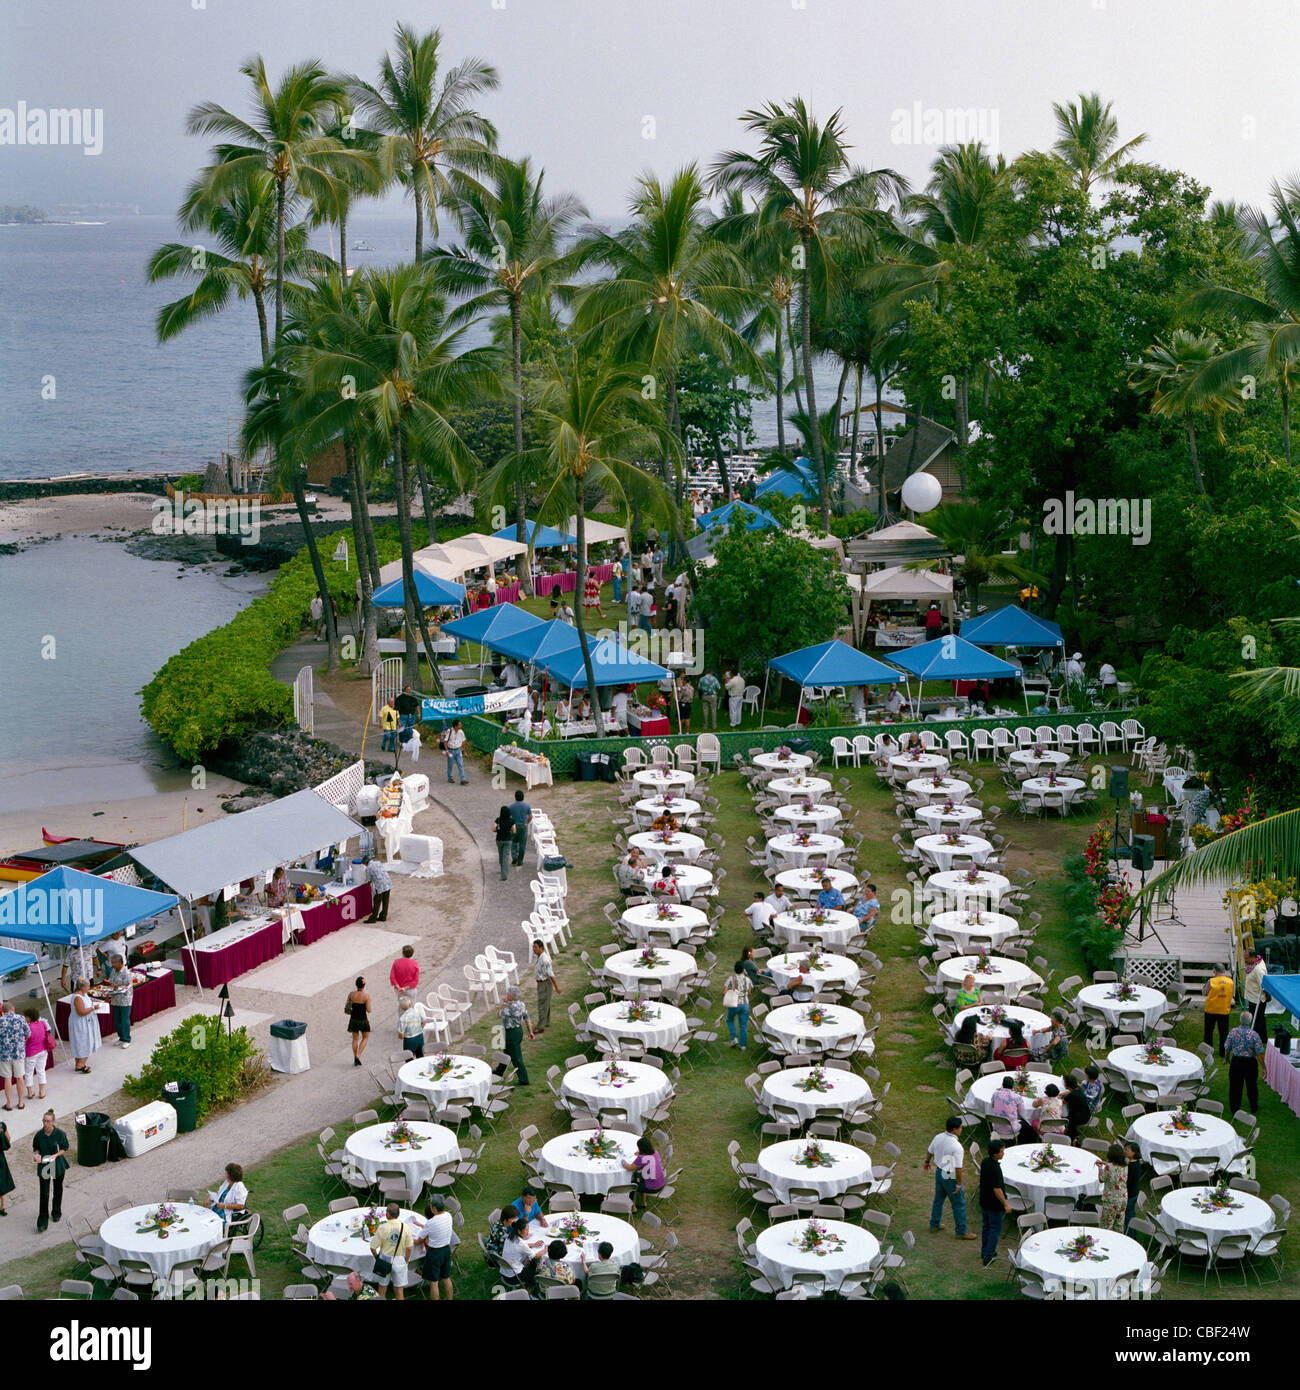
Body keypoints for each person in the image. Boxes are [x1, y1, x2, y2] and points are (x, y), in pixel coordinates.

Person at [924, 1117, 974, 1239]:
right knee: (959, 1204)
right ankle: (961, 1231)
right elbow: (958, 1168)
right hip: (949, 1174)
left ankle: (934, 1224)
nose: (962, 1129)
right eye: (960, 1127)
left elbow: (930, 1151)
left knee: (938, 1200)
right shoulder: (957, 1147)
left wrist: (927, 1161)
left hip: (940, 1171)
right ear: (954, 1129)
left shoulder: (938, 1137)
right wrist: (958, 1184)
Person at [31, 1109, 69, 1233]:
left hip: (56, 1163)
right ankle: (42, 1220)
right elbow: (36, 1148)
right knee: (44, 1193)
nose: (45, 1123)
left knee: (58, 1189)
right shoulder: (39, 1135)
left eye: (48, 1121)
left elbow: (64, 1148)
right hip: (45, 1164)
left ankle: (56, 1212)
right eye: (44, 1121)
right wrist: (36, 1155)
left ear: (53, 1122)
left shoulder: (60, 1134)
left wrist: (56, 1155)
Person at [978, 1137, 1013, 1267]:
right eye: (1001, 1152)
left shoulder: (985, 1162)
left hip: (984, 1201)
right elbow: (997, 1189)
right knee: (994, 1229)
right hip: (994, 1204)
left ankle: (984, 1251)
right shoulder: (995, 1168)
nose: (1003, 1154)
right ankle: (989, 1254)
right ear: (995, 1153)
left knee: (986, 1226)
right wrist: (1005, 1204)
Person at [1224, 1009, 1265, 1115]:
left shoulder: (1233, 1031)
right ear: (1250, 1021)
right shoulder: (1254, 1034)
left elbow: (1227, 1047)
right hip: (1250, 1063)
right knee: (1252, 1085)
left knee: (1235, 1086)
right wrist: (1264, 1067)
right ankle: (1254, 1106)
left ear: (1240, 1020)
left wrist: (1226, 1058)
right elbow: (1259, 1053)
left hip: (1236, 1062)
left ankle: (1235, 1109)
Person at [369, 1202, 413, 1301]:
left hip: (385, 1259)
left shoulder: (382, 1227)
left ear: (388, 1214)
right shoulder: (405, 1227)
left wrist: (378, 1258)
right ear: (398, 1214)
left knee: (382, 1290)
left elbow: (372, 1248)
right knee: (399, 1291)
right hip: (399, 1259)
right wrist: (405, 1260)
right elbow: (409, 1248)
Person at [415, 1195, 454, 1301]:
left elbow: (419, 1241)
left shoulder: (431, 1222)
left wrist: (409, 1239)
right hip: (446, 1250)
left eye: (431, 1205)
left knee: (434, 1282)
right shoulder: (448, 1215)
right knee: (446, 1277)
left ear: (434, 1209)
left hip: (435, 1253)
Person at [497, 990, 534, 1086]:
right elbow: (527, 1018)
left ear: (511, 996)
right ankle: (499, 1071)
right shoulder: (521, 1004)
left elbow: (499, 1014)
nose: (506, 995)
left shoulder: (510, 1007)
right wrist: (530, 1032)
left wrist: (504, 1003)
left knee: (516, 1058)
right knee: (507, 1052)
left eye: (508, 994)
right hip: (518, 1031)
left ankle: (524, 1080)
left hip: (511, 1033)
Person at [990, 1075, 1039, 1144]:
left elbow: (992, 1105)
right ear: (1013, 1086)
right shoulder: (1016, 1097)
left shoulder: (995, 1094)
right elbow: (1021, 1111)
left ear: (1002, 1085)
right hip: (1011, 1129)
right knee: (1027, 1123)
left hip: (996, 1126)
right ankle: (1028, 1141)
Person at [622, 1135, 665, 1210]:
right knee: (639, 1176)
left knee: (632, 1185)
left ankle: (633, 1207)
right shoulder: (655, 1152)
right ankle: (643, 1202)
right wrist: (640, 1153)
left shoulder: (641, 1158)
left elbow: (629, 1168)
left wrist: (622, 1162)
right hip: (661, 1183)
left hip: (652, 1187)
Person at [0, 1005, 30, 1111]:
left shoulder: (0, 1021)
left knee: (7, 1078)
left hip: (4, 1054)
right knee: (19, 1077)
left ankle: (9, 1104)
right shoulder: (20, 1018)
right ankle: (21, 1102)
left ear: (3, 1011)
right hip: (18, 1053)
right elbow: (28, 1033)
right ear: (12, 1009)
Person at [1095, 1140, 1129, 1232]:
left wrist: (1100, 1168)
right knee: (1119, 1223)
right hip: (1123, 1198)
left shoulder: (1108, 1167)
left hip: (1111, 1200)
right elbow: (1115, 1168)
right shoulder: (1125, 1166)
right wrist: (1105, 1163)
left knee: (1106, 1224)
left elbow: (1102, 1179)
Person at [1202, 964, 1235, 1056]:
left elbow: (1204, 992)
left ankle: (1208, 1051)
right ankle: (1223, 1052)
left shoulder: (1211, 981)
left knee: (1208, 1031)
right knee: (1223, 1032)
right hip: (1224, 1009)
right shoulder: (1230, 981)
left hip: (1211, 1010)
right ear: (1224, 971)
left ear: (1215, 971)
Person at [67, 979, 99, 1075]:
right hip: (80, 1023)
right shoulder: (77, 998)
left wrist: (94, 1001)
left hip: (84, 1022)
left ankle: (78, 1064)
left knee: (81, 1042)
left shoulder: (83, 995)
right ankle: (81, 1064)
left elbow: (87, 1001)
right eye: (88, 986)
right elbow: (81, 1012)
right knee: (84, 1042)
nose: (89, 988)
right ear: (82, 987)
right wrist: (93, 1008)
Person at [532, 938, 561, 1033]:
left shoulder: (544, 960)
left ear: (541, 948)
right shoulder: (540, 957)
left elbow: (551, 974)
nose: (534, 949)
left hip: (544, 983)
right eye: (533, 947)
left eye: (535, 947)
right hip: (541, 983)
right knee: (546, 1003)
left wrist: (557, 987)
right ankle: (546, 1022)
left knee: (542, 1004)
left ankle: (540, 1026)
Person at [499, 1218, 539, 1287]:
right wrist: (545, 1249)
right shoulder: (521, 1243)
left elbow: (522, 1247)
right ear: (519, 1231)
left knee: (527, 1259)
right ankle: (532, 1287)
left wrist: (534, 1244)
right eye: (526, 1230)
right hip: (513, 1277)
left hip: (504, 1273)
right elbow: (535, 1256)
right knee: (534, 1264)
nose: (528, 1232)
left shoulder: (509, 1237)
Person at [206, 1162, 248, 1226]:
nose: (225, 1175)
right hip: (217, 1209)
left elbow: (241, 1205)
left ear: (229, 1175)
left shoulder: (239, 1187)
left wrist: (225, 1206)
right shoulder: (227, 1182)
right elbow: (219, 1192)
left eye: (226, 1173)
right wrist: (209, 1198)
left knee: (209, 1223)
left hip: (225, 1213)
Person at [724, 958, 753, 1050]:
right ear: (743, 969)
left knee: (729, 1019)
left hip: (734, 1004)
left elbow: (724, 993)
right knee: (743, 1025)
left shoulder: (730, 979)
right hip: (745, 1005)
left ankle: (734, 1038)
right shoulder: (747, 980)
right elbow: (749, 993)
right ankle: (743, 1045)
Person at [22, 1009, 49, 1103]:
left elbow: (25, 1040)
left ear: (29, 1017)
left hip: (31, 1053)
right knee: (41, 1071)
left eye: (25, 1016)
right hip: (43, 1050)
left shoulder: (27, 1028)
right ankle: (41, 1092)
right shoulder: (42, 1023)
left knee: (28, 1072)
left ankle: (30, 1093)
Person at [106, 955, 133, 1049]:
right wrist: (107, 994)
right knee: (117, 1020)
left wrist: (115, 988)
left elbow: (126, 986)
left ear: (120, 963)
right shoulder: (113, 971)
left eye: (114, 962)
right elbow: (111, 982)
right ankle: (121, 1037)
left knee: (124, 1020)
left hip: (125, 1000)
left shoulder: (126, 973)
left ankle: (126, 1039)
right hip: (115, 999)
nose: (112, 964)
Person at [346, 977, 371, 1067]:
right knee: (365, 1037)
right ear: (364, 985)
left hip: (353, 1019)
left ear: (356, 984)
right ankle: (358, 1055)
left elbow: (348, 1006)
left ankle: (354, 1056)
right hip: (363, 1019)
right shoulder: (366, 996)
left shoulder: (351, 995)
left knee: (355, 1039)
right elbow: (369, 1010)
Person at [1243, 950, 1269, 1039]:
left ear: (1253, 958)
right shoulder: (1254, 963)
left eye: (1246, 959)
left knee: (1257, 1020)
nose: (1245, 960)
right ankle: (1263, 1038)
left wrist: (1267, 997)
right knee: (1259, 1018)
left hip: (1257, 999)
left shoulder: (1258, 970)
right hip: (1253, 997)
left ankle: (1257, 1039)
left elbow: (1264, 985)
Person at [1062, 1074, 1093, 1142]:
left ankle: (1073, 1138)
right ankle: (1075, 1135)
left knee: (1063, 1117)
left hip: (1078, 1118)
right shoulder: (1078, 1089)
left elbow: (1062, 1102)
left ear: (1067, 1085)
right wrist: (1062, 1094)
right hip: (1086, 1114)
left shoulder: (1072, 1095)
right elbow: (1070, 1092)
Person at [1122, 1142, 1144, 1235]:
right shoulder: (1137, 1163)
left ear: (1133, 1153)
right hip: (1134, 1193)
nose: (1124, 1151)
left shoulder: (1131, 1167)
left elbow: (1126, 1182)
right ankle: (1133, 1232)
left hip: (1129, 1195)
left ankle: (1130, 1235)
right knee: (1131, 1214)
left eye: (1127, 1150)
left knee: (1127, 1217)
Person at [508, 788, 533, 867]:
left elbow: (508, 817)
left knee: (513, 842)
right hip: (523, 826)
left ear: (515, 797)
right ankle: (520, 860)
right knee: (522, 844)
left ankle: (514, 857)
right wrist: (527, 823)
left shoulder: (511, 806)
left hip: (514, 826)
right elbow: (530, 816)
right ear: (523, 797)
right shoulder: (527, 806)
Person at [363, 854, 391, 923]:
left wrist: (365, 885)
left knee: (377, 901)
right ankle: (383, 916)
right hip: (388, 882)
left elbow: (368, 880)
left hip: (380, 886)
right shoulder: (378, 862)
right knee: (385, 901)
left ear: (365, 863)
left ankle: (373, 918)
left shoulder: (368, 868)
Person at [443, 719, 469, 785]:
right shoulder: (449, 731)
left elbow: (463, 741)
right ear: (455, 726)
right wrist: (447, 751)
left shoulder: (461, 732)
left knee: (460, 764)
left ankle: (462, 779)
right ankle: (450, 778)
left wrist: (464, 751)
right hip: (451, 750)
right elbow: (445, 741)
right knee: (450, 765)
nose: (461, 726)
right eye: (459, 725)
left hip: (458, 750)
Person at [494, 805, 515, 881]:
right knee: (506, 857)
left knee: (501, 855)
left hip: (499, 840)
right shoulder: (511, 821)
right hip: (508, 840)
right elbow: (514, 830)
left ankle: (502, 869)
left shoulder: (498, 820)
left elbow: (493, 829)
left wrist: (498, 830)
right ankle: (504, 875)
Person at [0, 1120, 12, 1217]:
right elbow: (8, 1140)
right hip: (0, 1158)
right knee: (1, 1181)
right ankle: (2, 1205)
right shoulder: (2, 1125)